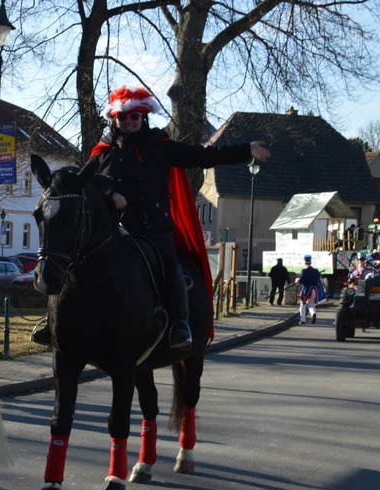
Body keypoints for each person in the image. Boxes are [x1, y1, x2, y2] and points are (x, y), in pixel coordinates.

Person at [89, 84, 271, 350]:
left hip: (154, 228)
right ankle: (69, 323)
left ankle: (179, 323)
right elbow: (86, 182)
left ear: (143, 117)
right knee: (83, 260)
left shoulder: (160, 147)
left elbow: (204, 157)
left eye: (134, 116)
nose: (128, 121)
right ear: (114, 119)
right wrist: (109, 192)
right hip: (117, 229)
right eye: (123, 117)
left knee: (170, 266)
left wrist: (246, 151)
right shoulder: (104, 153)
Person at [295, 254, 325, 324]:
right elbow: (317, 279)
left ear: (305, 262)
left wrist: (298, 280)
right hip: (314, 290)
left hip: (306, 290)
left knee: (303, 305)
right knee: (311, 305)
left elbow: (303, 280)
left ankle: (302, 320)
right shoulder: (315, 271)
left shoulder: (304, 271)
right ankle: (313, 313)